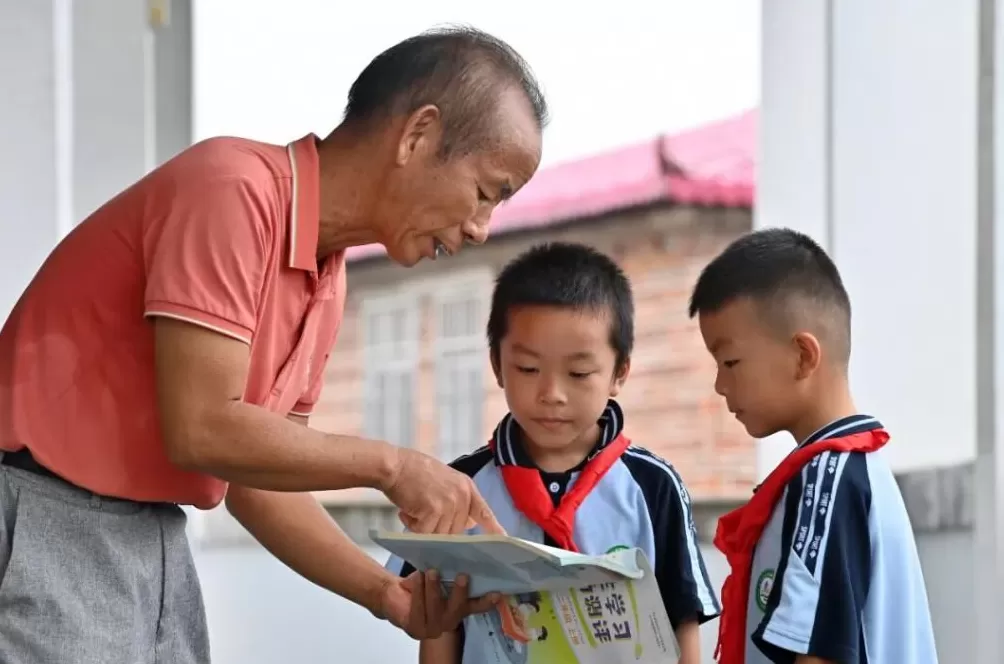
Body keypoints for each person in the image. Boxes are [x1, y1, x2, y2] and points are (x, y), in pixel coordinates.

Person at [0, 26, 547, 664]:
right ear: (418, 134)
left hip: (153, 536)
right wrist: (393, 468)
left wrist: (389, 595)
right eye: (486, 192)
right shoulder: (231, 190)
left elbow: (258, 482)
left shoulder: (327, 275)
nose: (482, 229)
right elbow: (202, 428)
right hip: (49, 516)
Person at [387, 242, 721, 664]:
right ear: (496, 365)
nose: (552, 395)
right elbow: (437, 623)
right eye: (528, 369)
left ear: (619, 373)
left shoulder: (653, 485)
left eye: (579, 373)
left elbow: (681, 617)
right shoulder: (460, 487)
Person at [688, 228, 938, 664]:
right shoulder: (852, 469)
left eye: (730, 362)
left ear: (803, 355)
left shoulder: (828, 480)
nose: (720, 385)